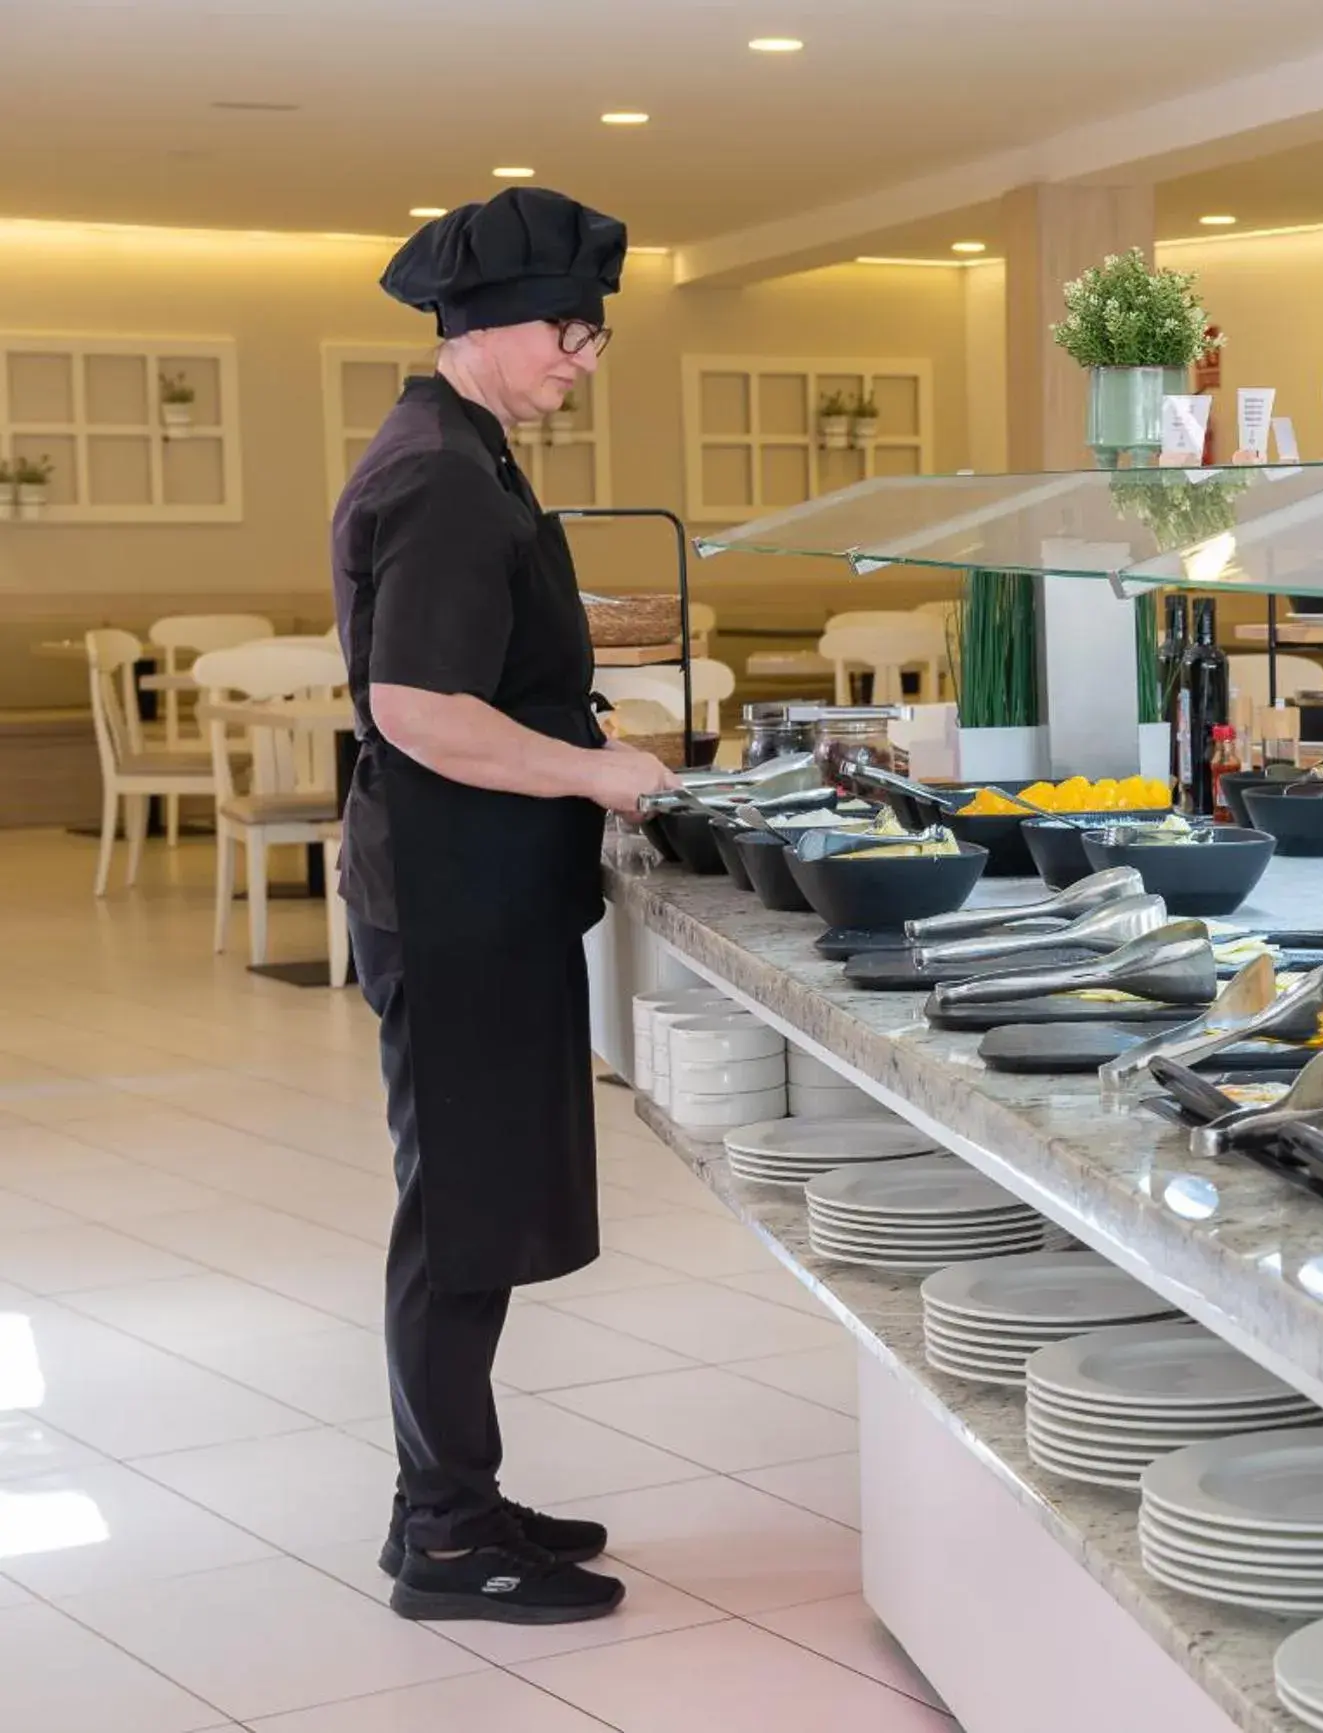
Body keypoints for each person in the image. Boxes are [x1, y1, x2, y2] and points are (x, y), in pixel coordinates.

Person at [332, 187, 675, 1625]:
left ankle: (452, 1495)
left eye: (594, 338)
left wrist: (577, 744)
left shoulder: (462, 449)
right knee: (460, 1220)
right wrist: (594, 771)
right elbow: (418, 707)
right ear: (479, 326)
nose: (582, 362)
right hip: (454, 896)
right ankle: (448, 1535)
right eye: (567, 334)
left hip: (472, 887)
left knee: (470, 1207)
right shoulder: (442, 480)